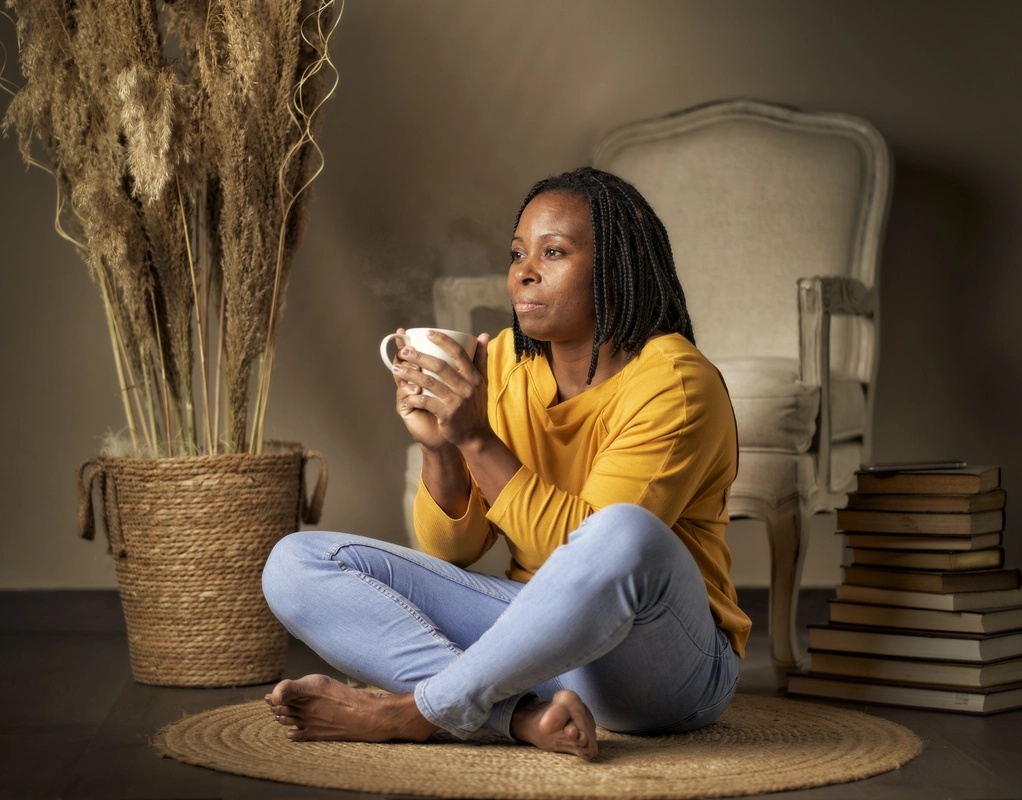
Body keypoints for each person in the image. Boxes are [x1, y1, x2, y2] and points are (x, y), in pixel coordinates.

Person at [261, 166, 750, 762]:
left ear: (618, 267)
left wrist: (476, 441)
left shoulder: (675, 382)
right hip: (534, 650)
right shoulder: (507, 371)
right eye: (518, 252)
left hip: (660, 668)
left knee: (624, 533)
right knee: (294, 562)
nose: (524, 270)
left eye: (554, 251)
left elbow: (589, 556)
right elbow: (453, 551)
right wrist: (441, 445)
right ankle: (517, 718)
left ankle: (416, 712)